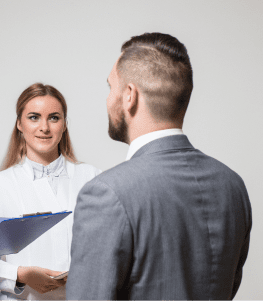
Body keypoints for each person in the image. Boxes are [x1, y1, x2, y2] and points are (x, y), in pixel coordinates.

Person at [66, 33, 252, 300]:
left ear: (129, 96)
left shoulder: (106, 193)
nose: (109, 99)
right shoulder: (233, 185)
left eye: (111, 87)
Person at [0, 83, 101, 300]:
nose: (44, 127)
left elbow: (106, 247)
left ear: (65, 124)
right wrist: (20, 274)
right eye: (34, 117)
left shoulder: (91, 178)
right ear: (19, 124)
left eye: (54, 118)